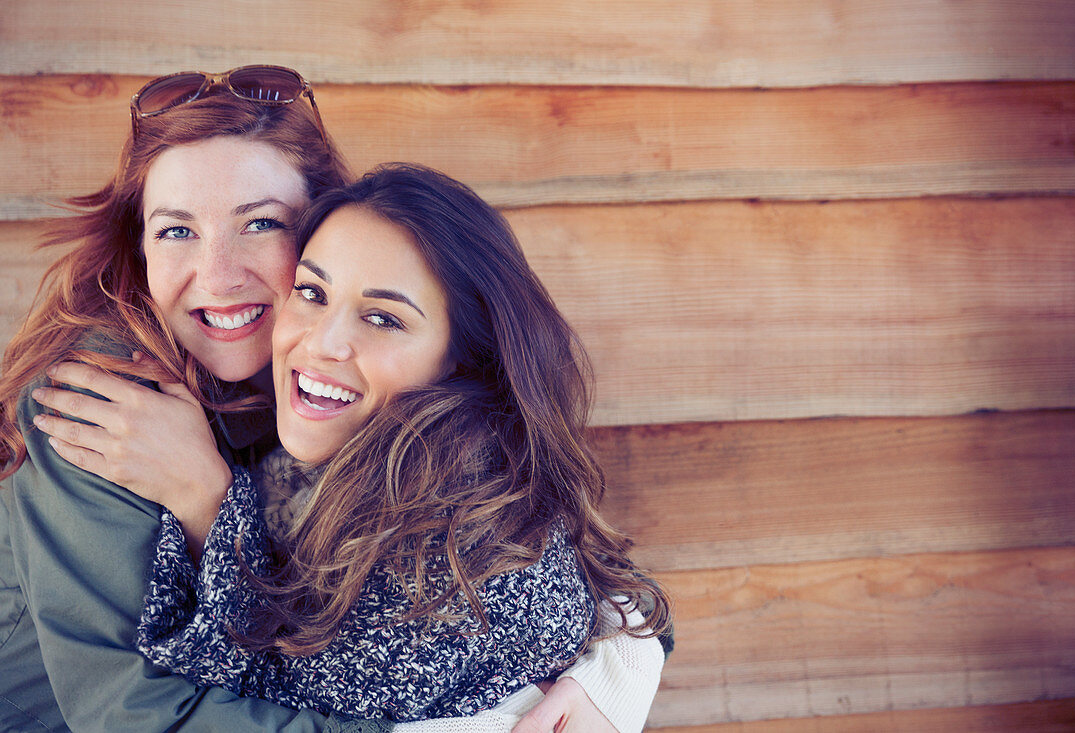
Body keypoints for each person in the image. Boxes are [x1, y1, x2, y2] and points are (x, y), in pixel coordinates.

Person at [0, 67, 663, 732]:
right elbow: (142, 713)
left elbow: (578, 563)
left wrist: (610, 675)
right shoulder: (97, 400)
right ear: (138, 244)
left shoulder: (371, 386)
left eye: (259, 223)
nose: (219, 276)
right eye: (176, 230)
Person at [123, 162, 672, 722]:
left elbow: (247, 701)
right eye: (312, 292)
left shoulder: (458, 550)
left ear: (462, 353)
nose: (323, 342)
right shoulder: (369, 460)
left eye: (383, 319)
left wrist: (205, 503)